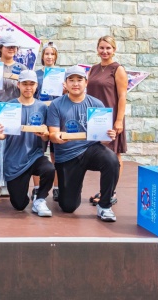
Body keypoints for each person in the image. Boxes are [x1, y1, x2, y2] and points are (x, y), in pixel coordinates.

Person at [46, 65, 120, 222]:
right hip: (67, 155)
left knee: (112, 160)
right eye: (71, 80)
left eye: (79, 80)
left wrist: (109, 136)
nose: (75, 84)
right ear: (65, 84)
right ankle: (74, 189)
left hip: (90, 149)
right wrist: (57, 137)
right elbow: (53, 134)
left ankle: (105, 206)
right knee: (68, 206)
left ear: (86, 82)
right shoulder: (56, 105)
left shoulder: (97, 104)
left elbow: (103, 139)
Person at [0, 70, 55, 217]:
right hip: (14, 160)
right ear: (18, 85)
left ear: (36, 86)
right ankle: (22, 189)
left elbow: (46, 138)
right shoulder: (9, 107)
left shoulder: (42, 107)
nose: (28, 87)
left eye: (31, 84)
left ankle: (40, 199)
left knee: (49, 169)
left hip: (35, 156)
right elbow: (2, 135)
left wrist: (45, 134)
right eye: (25, 84)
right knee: (19, 205)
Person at [0, 34, 27, 197]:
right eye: (8, 46)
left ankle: (7, 181)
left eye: (14, 47)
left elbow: (25, 91)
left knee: (10, 144)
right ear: (0, 48)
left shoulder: (22, 68)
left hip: (12, 108)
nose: (12, 49)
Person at [86, 35, 128, 206]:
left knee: (114, 154)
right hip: (95, 118)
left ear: (114, 50)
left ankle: (110, 192)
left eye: (108, 48)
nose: (105, 51)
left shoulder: (118, 69)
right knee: (101, 154)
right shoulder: (93, 69)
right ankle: (105, 190)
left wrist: (119, 121)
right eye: (102, 48)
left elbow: (122, 96)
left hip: (111, 118)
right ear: (97, 49)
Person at [33, 42, 61, 201]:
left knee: (56, 154)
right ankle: (37, 187)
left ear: (56, 57)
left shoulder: (62, 75)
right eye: (47, 54)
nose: (49, 57)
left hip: (57, 118)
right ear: (42, 56)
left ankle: (57, 187)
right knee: (38, 152)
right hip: (41, 117)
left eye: (52, 54)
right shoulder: (36, 75)